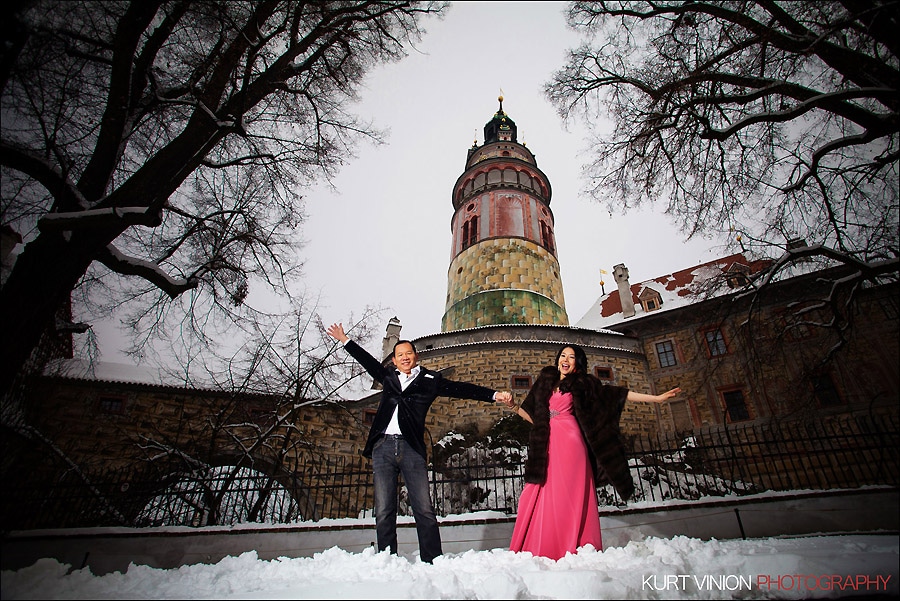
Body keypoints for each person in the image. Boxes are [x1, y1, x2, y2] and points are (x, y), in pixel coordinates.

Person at [326, 322, 513, 564]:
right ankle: (386, 559)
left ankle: (432, 559)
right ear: (393, 360)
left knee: (423, 508)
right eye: (399, 355)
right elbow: (368, 362)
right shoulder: (388, 377)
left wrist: (494, 395)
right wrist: (345, 340)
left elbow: (460, 388)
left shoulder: (430, 379)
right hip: (383, 447)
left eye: (408, 353)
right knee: (384, 510)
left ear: (416, 356)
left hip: (411, 448)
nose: (404, 358)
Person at [501, 344, 680, 560]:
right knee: (536, 492)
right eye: (563, 355)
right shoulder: (545, 382)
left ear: (578, 362)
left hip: (571, 444)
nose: (566, 360)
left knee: (565, 495)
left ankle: (569, 544)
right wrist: (512, 406)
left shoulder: (584, 384)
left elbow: (616, 395)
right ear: (558, 359)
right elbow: (533, 418)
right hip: (546, 443)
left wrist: (657, 399)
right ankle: (543, 543)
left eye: (572, 357)